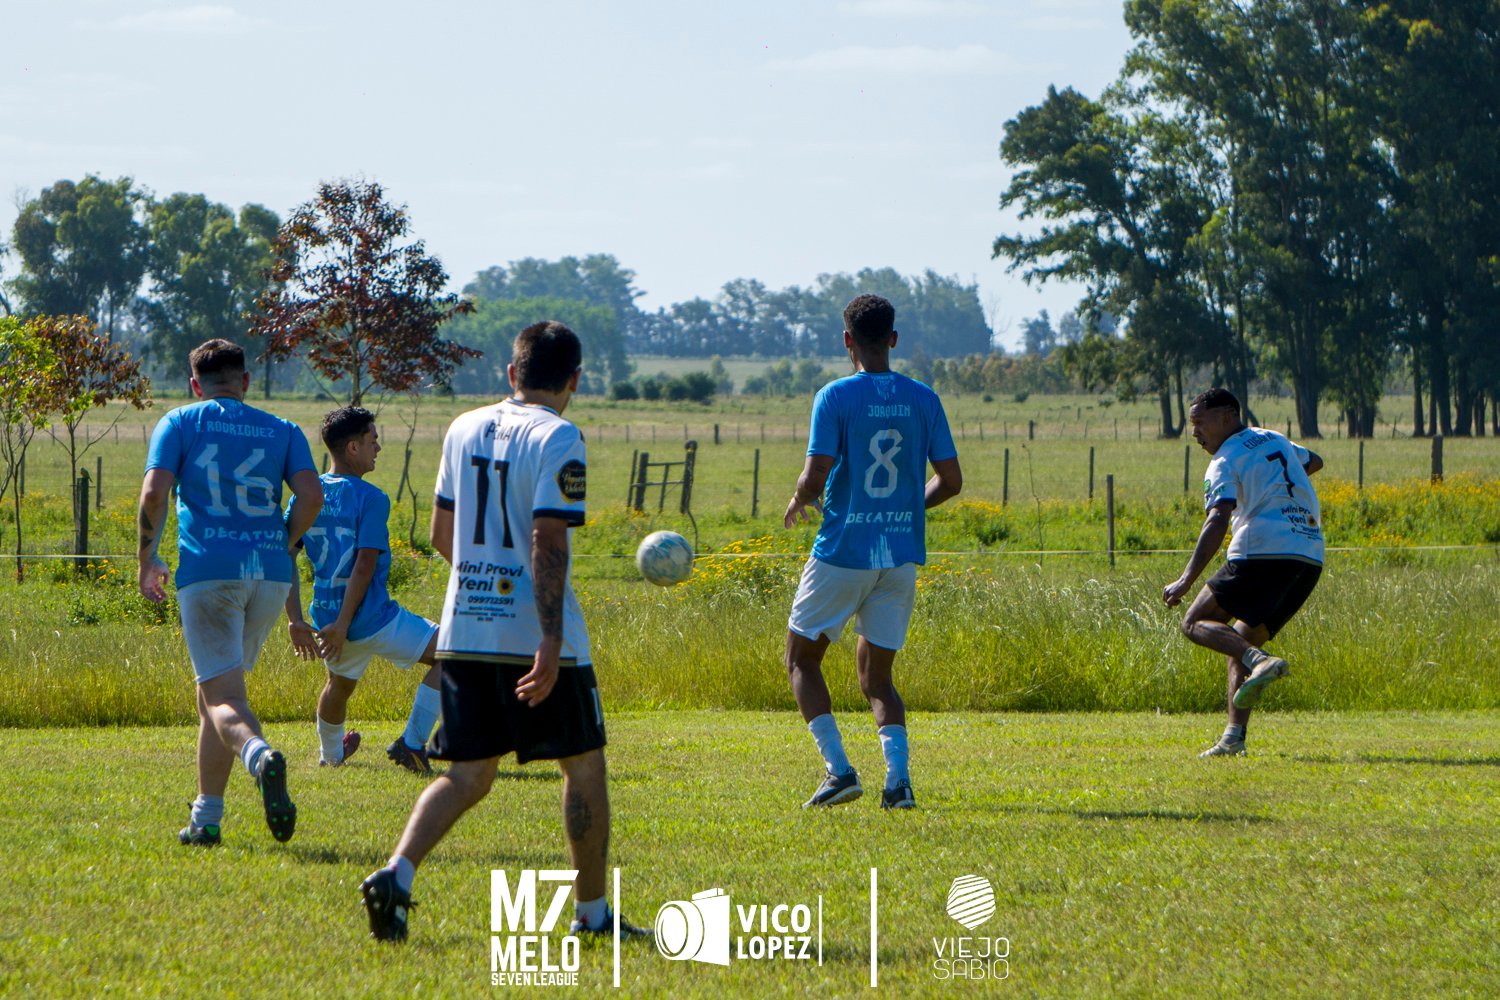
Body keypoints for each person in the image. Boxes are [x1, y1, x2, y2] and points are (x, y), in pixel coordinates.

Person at [360, 321, 647, 942]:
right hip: (535, 638)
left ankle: (396, 873)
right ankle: (593, 916)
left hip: (465, 630)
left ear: (512, 373)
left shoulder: (462, 427)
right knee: (584, 766)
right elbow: (548, 537)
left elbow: (441, 534)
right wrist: (550, 636)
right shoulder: (560, 436)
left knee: (466, 774)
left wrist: (483, 582)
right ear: (574, 380)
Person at [137, 339, 322, 846]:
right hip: (270, 574)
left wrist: (147, 557)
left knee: (224, 699)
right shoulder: (283, 428)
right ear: (245, 381)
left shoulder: (180, 420)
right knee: (215, 699)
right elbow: (311, 496)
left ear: (195, 386)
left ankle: (260, 757)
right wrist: (285, 540)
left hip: (211, 572)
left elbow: (154, 493)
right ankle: (206, 819)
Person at [783, 294, 962, 810]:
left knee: (801, 659)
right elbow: (951, 481)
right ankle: (898, 782)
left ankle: (839, 771)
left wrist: (799, 498)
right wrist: (905, 509)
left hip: (843, 552)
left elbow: (816, 473)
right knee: (877, 677)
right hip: (899, 558)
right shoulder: (924, 397)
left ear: (847, 340)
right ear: (893, 338)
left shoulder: (834, 396)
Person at [1163, 387, 1324, 757]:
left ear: (1227, 416)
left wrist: (1186, 580)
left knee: (1194, 622)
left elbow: (1217, 519)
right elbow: (1314, 461)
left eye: (1199, 422)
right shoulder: (1274, 438)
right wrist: (1271, 482)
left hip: (1261, 550)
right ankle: (1234, 738)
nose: (1194, 432)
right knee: (1238, 641)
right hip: (1308, 555)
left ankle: (1261, 662)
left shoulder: (1224, 459)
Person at [284, 406, 442, 773]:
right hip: (370, 618)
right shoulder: (372, 497)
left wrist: (295, 619)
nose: (379, 448)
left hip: (327, 620)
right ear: (353, 447)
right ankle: (412, 743)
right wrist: (344, 624)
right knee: (455, 656)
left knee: (338, 686)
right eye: (373, 440)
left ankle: (330, 757)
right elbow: (365, 563)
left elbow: (284, 555)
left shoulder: (306, 496)